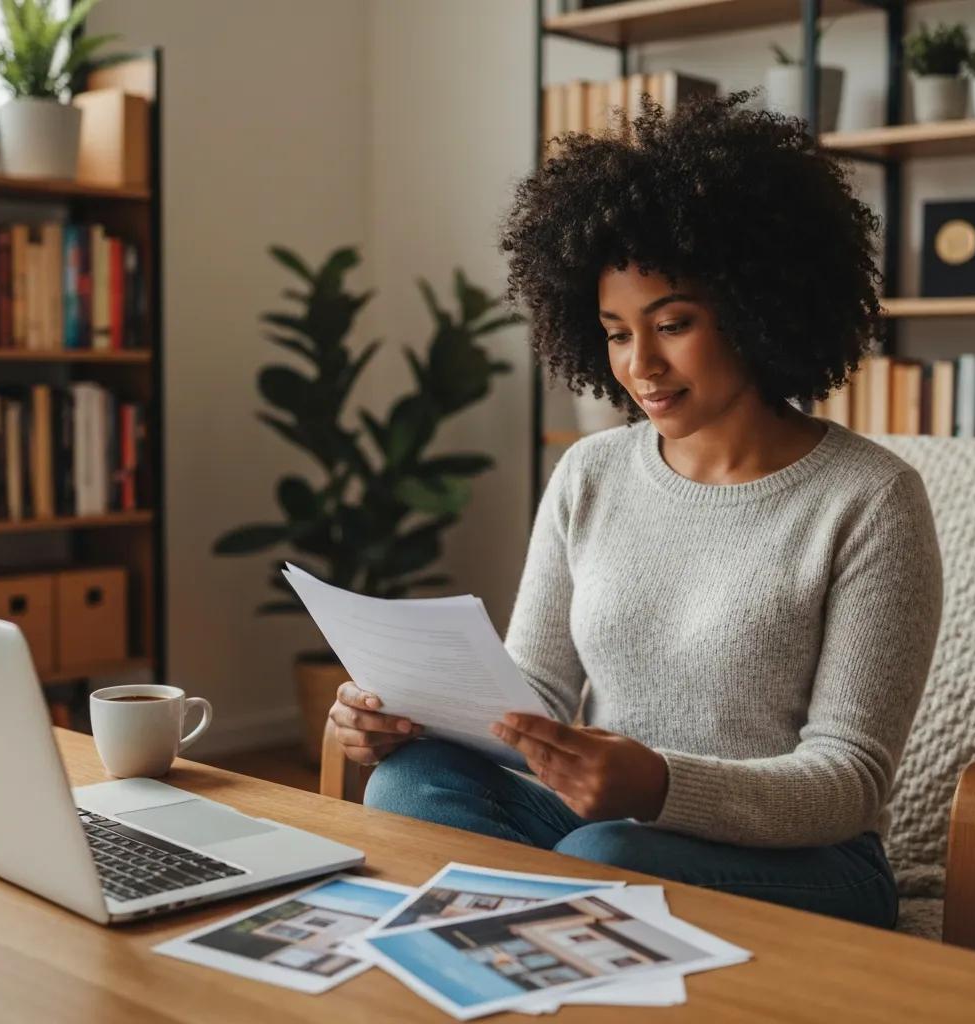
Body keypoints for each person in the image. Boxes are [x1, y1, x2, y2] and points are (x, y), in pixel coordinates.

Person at [326, 91, 943, 930]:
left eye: (673, 323)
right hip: (606, 827)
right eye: (616, 332)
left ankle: (511, 940)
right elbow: (534, 690)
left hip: (810, 864)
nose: (641, 365)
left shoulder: (869, 499)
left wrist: (659, 784)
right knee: (408, 785)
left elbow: (849, 781)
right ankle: (522, 951)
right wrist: (407, 715)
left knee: (604, 861)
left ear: (759, 309)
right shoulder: (591, 472)